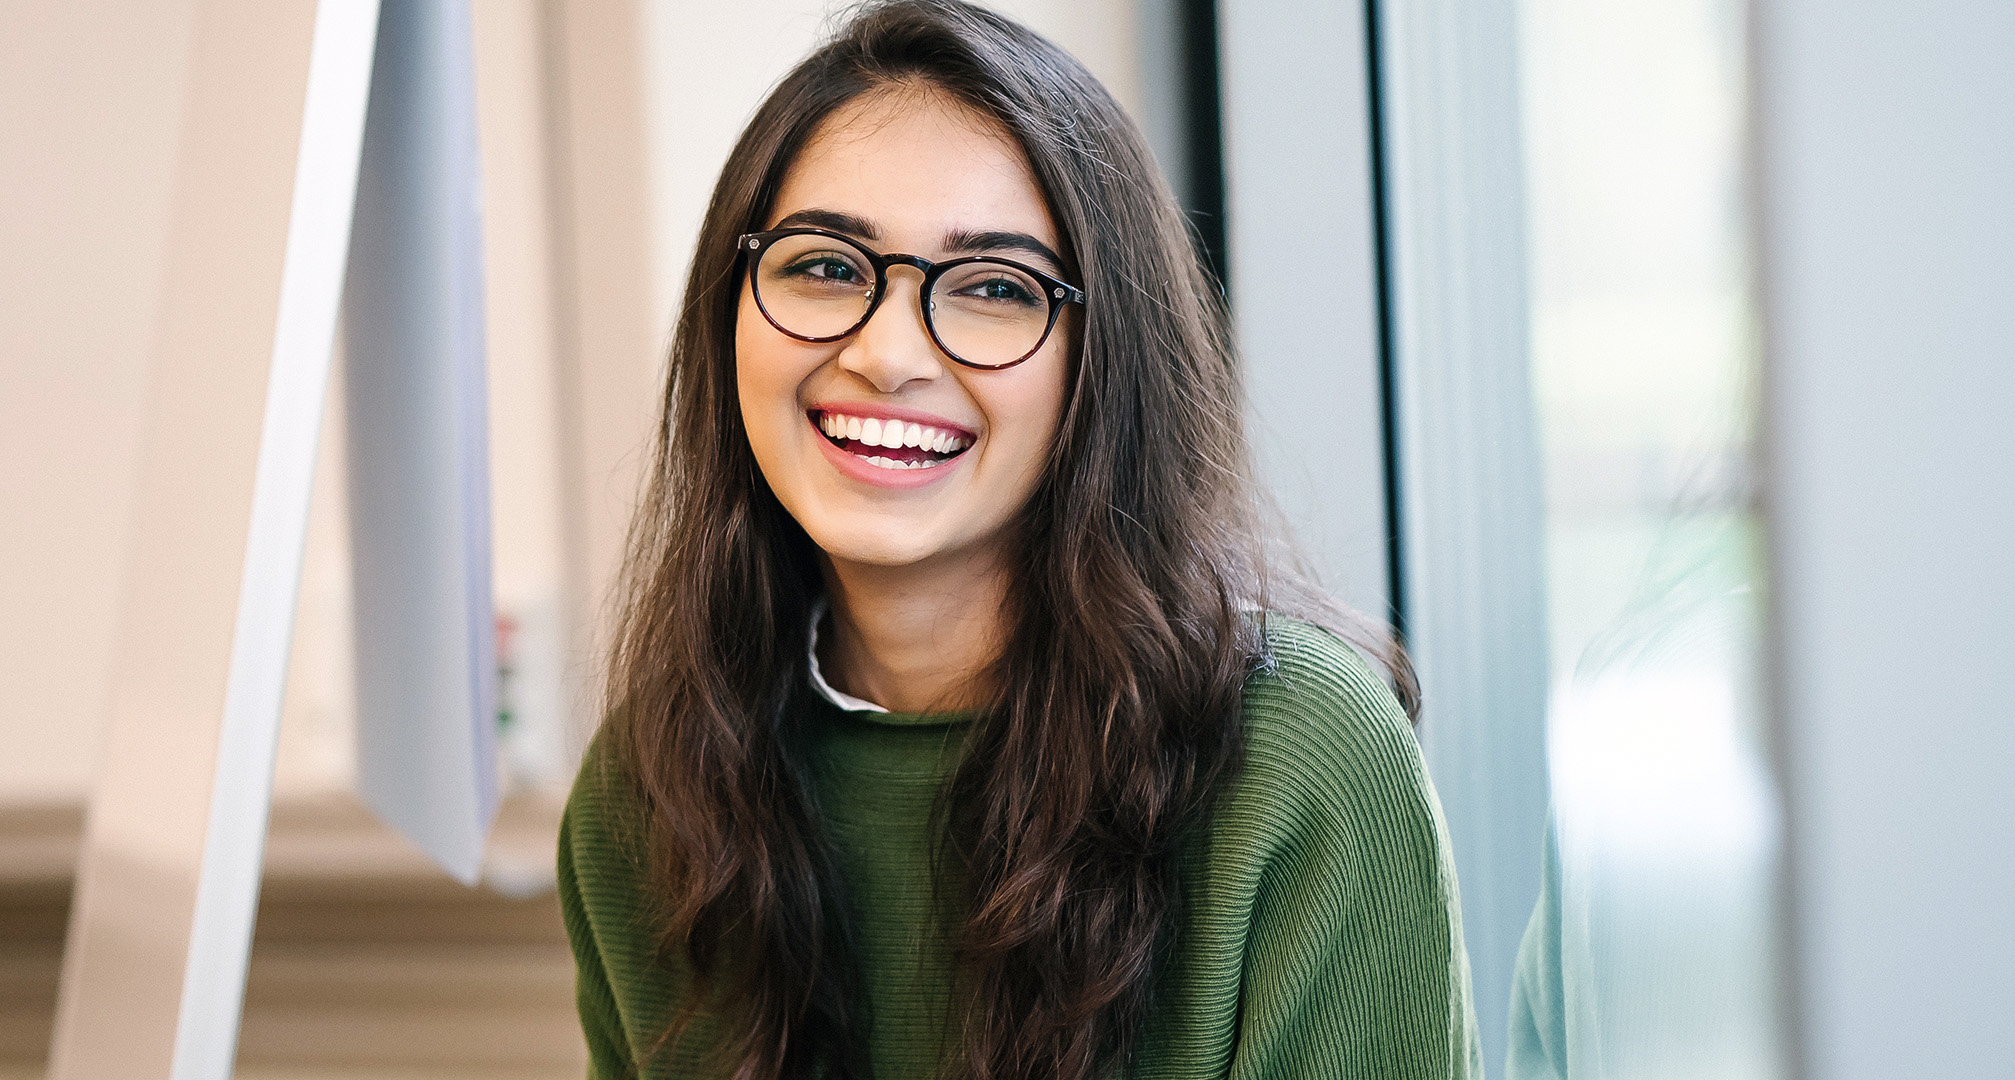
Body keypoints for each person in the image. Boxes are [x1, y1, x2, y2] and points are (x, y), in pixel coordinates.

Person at [557, 3, 1481, 1077]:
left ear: (1104, 364)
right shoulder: (649, 790)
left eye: (994, 288)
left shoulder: (1299, 762)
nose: (887, 352)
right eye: (823, 267)